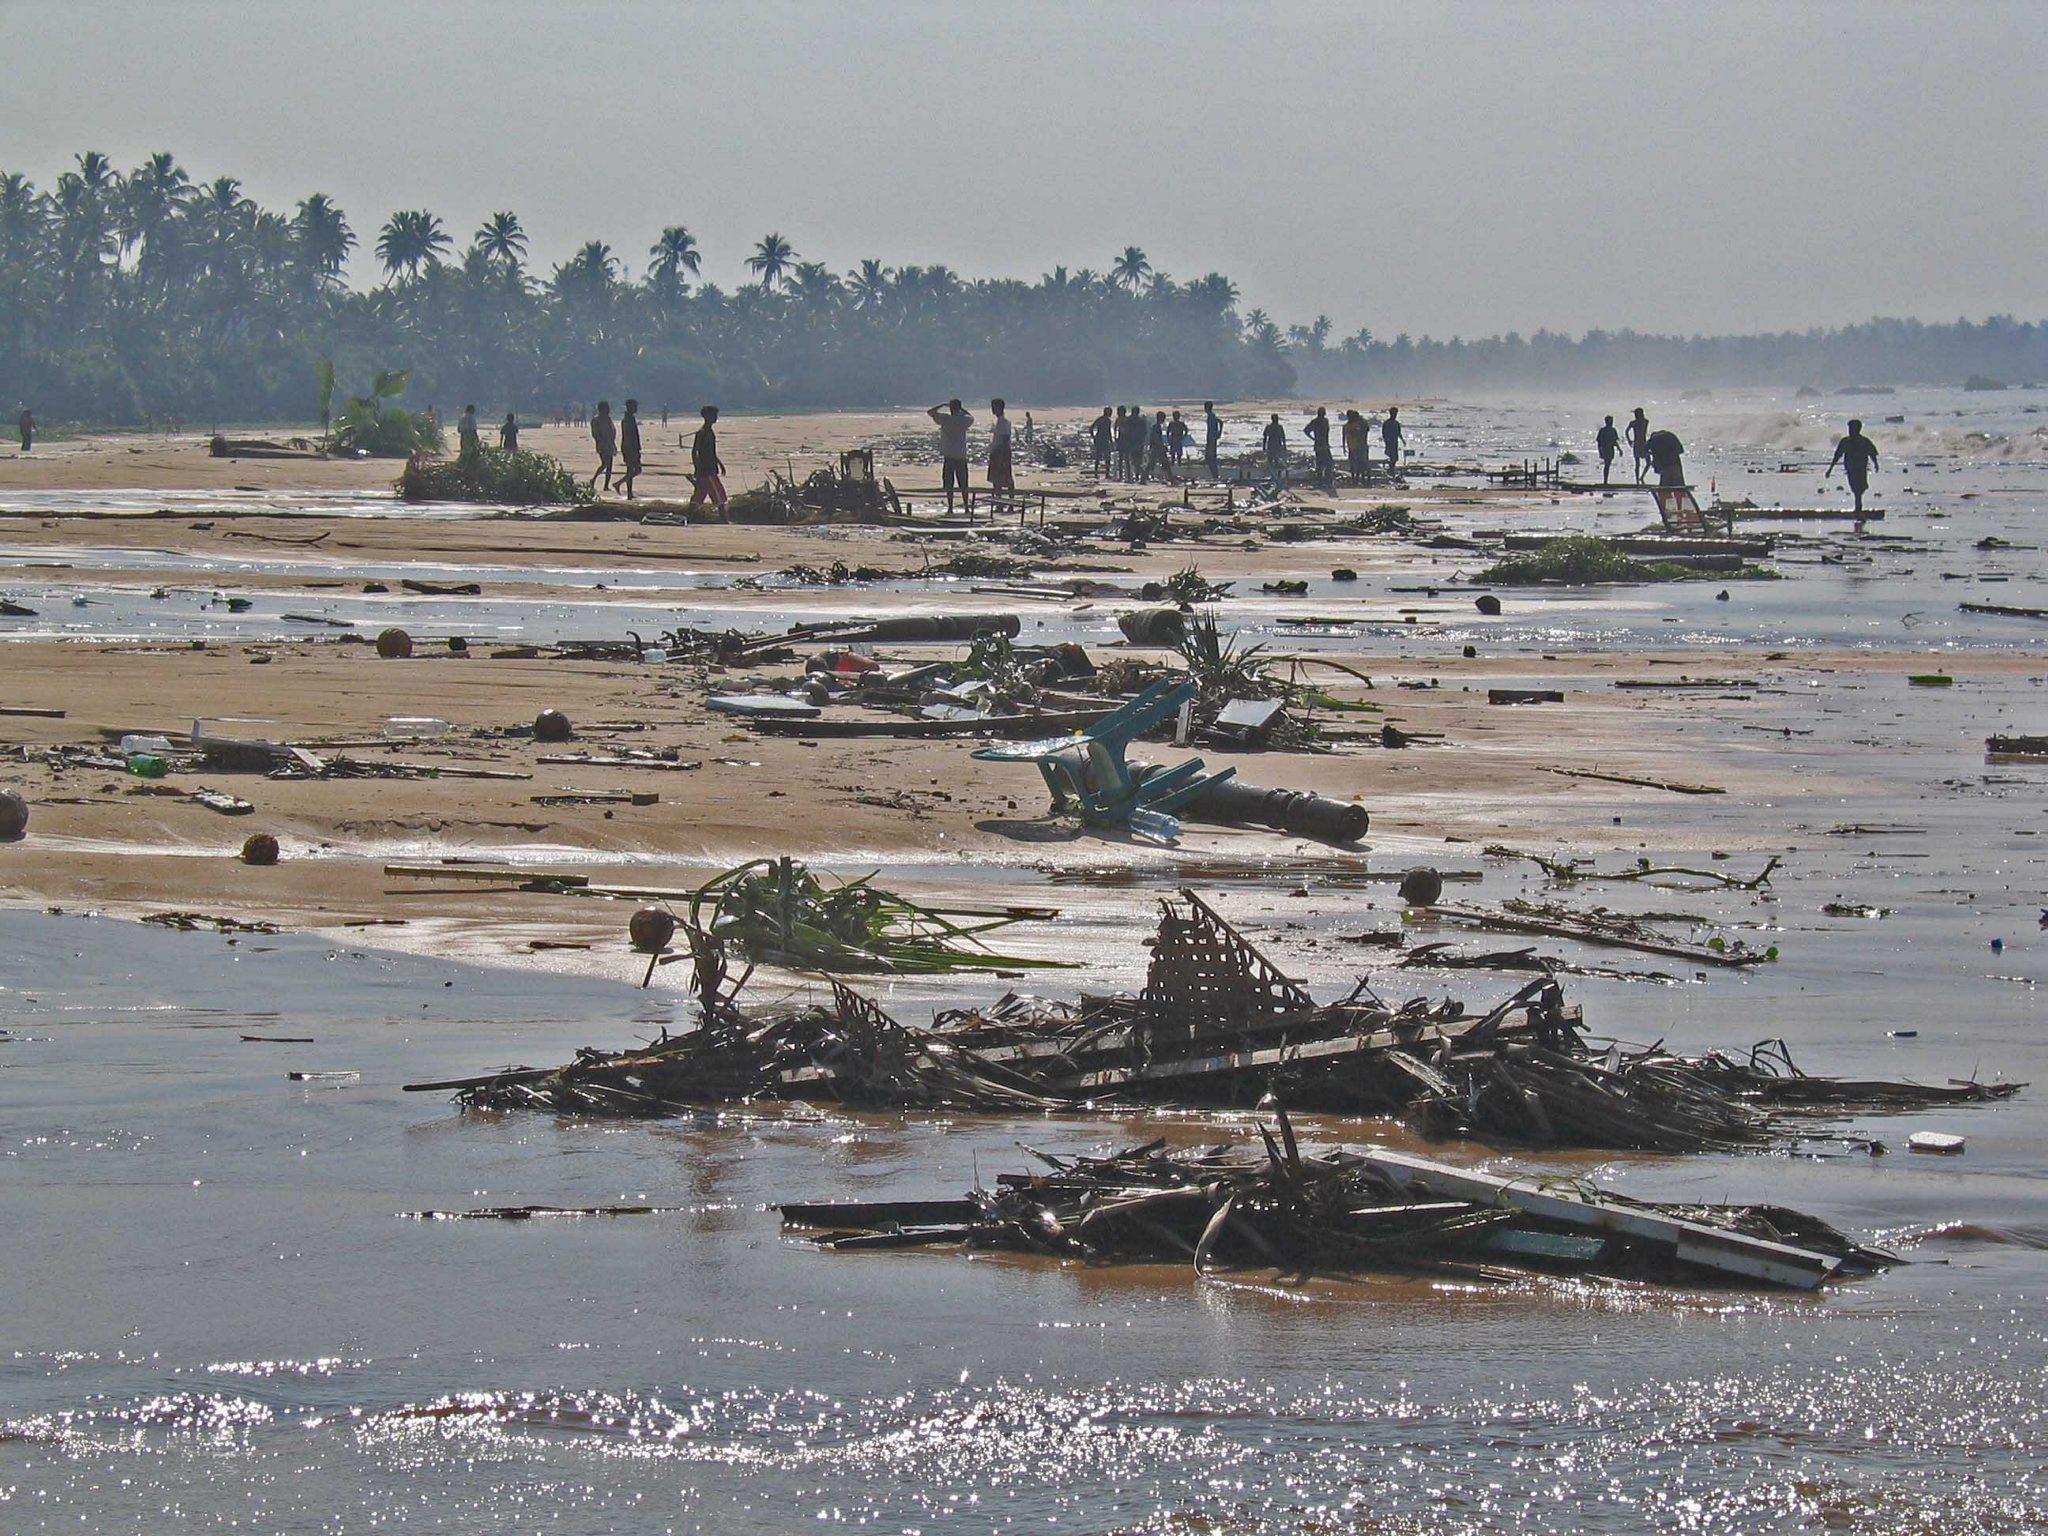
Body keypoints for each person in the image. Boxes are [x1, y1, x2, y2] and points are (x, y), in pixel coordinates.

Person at [1828, 418, 1880, 527]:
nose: (1851, 430)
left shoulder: (1864, 441)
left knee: (1859, 488)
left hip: (1860, 468)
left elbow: (1872, 453)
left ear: (1858, 429)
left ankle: (1858, 508)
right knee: (1855, 488)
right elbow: (1837, 455)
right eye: (1850, 428)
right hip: (1851, 468)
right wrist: (1830, 469)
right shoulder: (1845, 441)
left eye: (1853, 428)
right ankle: (1858, 507)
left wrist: (1876, 464)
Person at [928, 398, 974, 514]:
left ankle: (950, 507)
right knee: (963, 483)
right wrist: (961, 409)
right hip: (961, 455)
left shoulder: (945, 419)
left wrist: (942, 404)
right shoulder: (963, 420)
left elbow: (930, 412)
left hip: (949, 455)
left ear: (950, 408)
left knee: (949, 484)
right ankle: (966, 507)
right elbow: (971, 417)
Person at [685, 404, 728, 515]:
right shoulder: (702, 432)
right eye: (713, 415)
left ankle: (690, 515)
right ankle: (724, 518)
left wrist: (720, 463)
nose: (715, 417)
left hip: (710, 467)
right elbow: (695, 451)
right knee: (718, 495)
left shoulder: (710, 432)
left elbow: (711, 452)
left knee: (701, 493)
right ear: (706, 416)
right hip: (706, 469)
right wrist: (697, 467)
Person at [987, 397, 1015, 497]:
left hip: (1001, 452)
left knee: (1004, 477)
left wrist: (999, 454)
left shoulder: (1003, 422)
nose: (993, 409)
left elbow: (1005, 438)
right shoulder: (999, 421)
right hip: (998, 452)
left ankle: (1008, 502)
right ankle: (1000, 501)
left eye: (994, 407)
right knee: (997, 479)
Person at [1304, 406, 1335, 491]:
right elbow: (1306, 430)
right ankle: (1323, 481)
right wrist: (1314, 439)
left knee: (1324, 464)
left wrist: (1314, 439)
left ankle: (1324, 481)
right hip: (1321, 445)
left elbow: (1306, 431)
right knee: (1325, 464)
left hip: (1322, 444)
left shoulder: (1324, 421)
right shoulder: (1318, 421)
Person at [589, 400, 617, 492]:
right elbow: (595, 433)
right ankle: (593, 480)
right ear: (601, 409)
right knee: (605, 464)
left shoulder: (608, 419)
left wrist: (612, 442)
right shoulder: (596, 420)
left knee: (609, 466)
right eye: (607, 408)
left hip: (609, 444)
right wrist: (600, 441)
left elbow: (613, 430)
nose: (608, 410)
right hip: (602, 445)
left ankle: (606, 485)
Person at [617, 398, 643, 499]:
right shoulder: (627, 420)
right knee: (634, 470)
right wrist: (633, 450)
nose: (636, 408)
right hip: (629, 448)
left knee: (632, 470)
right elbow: (628, 436)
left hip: (631, 447)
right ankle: (624, 488)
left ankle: (628, 492)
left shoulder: (630, 418)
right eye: (634, 406)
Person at [1147, 409, 1178, 484]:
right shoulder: (1156, 427)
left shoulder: (1156, 426)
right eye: (1163, 418)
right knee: (1164, 464)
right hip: (1157, 448)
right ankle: (1171, 480)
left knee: (1153, 464)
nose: (1164, 420)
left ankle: (1171, 479)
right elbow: (1156, 438)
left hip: (1156, 448)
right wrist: (1162, 446)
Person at [1343, 409, 1370, 483]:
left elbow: (1363, 432)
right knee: (1358, 464)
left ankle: (1361, 479)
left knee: (1361, 464)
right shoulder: (1351, 425)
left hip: (1360, 446)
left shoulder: (1360, 424)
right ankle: (1358, 479)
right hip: (1355, 447)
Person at [1261, 412, 1287, 487]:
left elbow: (1283, 437)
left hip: (1274, 445)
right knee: (1272, 462)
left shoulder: (1276, 427)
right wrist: (1264, 447)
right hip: (1273, 445)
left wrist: (1284, 446)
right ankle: (1273, 477)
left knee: (1274, 462)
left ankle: (1274, 477)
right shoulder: (1275, 427)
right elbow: (1265, 437)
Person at [1595, 414, 1621, 486]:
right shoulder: (1605, 430)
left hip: (1609, 449)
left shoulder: (1612, 430)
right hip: (1606, 449)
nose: (1611, 423)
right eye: (1610, 421)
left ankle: (1605, 480)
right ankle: (1605, 480)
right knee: (1607, 464)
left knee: (1607, 464)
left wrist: (1619, 449)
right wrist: (1600, 450)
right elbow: (1599, 441)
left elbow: (1615, 441)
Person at [1626, 407, 1650, 484]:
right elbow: (1626, 431)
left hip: (1637, 443)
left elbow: (1626, 431)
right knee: (1647, 462)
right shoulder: (1645, 421)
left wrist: (1629, 440)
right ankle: (1641, 477)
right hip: (1643, 443)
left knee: (1638, 463)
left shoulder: (1633, 423)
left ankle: (1638, 479)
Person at [1380, 406, 1405, 475]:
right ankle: (1391, 470)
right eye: (1394, 414)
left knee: (1394, 458)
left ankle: (1391, 469)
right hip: (1389, 442)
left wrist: (1402, 440)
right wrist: (1386, 441)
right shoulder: (1387, 423)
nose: (1395, 415)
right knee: (1392, 457)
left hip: (1394, 442)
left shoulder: (1396, 423)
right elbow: (1384, 433)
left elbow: (1398, 432)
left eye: (1396, 414)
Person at [1091, 406, 1115, 477]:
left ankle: (1096, 473)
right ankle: (1106, 474)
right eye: (1110, 412)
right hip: (1104, 439)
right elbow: (1108, 432)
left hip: (1099, 439)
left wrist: (1094, 437)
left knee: (1099, 457)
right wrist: (1111, 441)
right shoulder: (1107, 421)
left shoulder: (1099, 419)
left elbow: (1091, 428)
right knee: (1107, 457)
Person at [1203, 401, 1223, 479]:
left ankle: (1215, 474)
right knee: (1210, 457)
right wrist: (1219, 433)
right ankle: (1214, 474)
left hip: (1211, 439)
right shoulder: (1211, 415)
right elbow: (1220, 422)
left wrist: (1219, 433)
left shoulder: (1211, 416)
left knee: (1210, 457)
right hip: (1211, 438)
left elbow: (1220, 423)